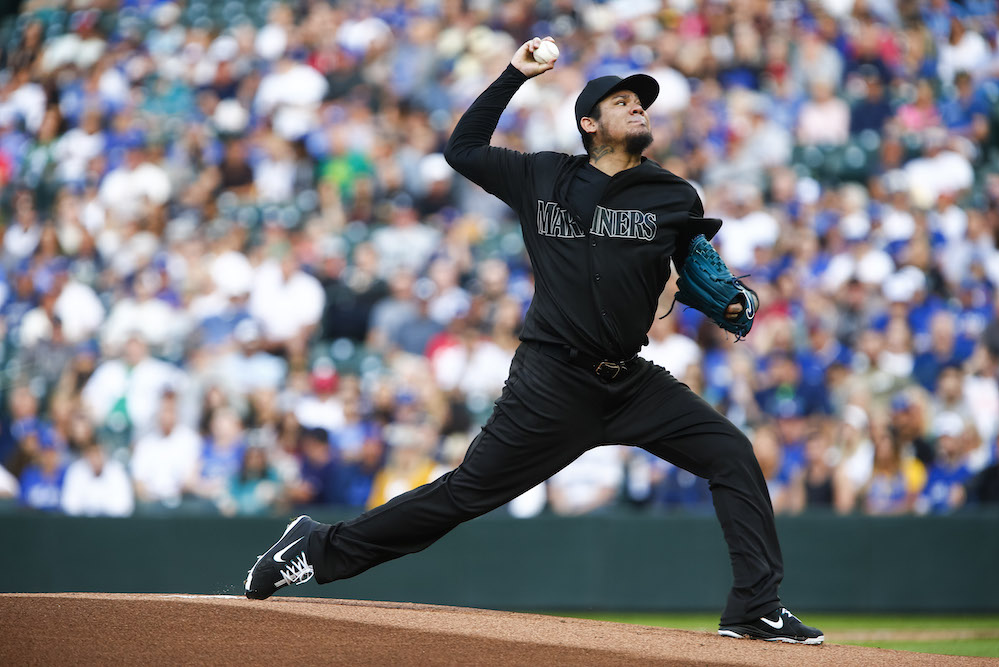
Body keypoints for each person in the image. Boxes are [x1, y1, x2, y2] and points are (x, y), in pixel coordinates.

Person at [244, 37, 824, 645]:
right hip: (552, 381)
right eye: (622, 101)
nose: (638, 108)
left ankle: (756, 606)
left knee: (730, 453)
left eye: (641, 102)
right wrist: (512, 75)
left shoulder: (674, 196)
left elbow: (697, 264)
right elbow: (462, 149)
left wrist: (730, 299)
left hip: (630, 380)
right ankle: (314, 546)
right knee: (463, 495)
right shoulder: (542, 174)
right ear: (589, 123)